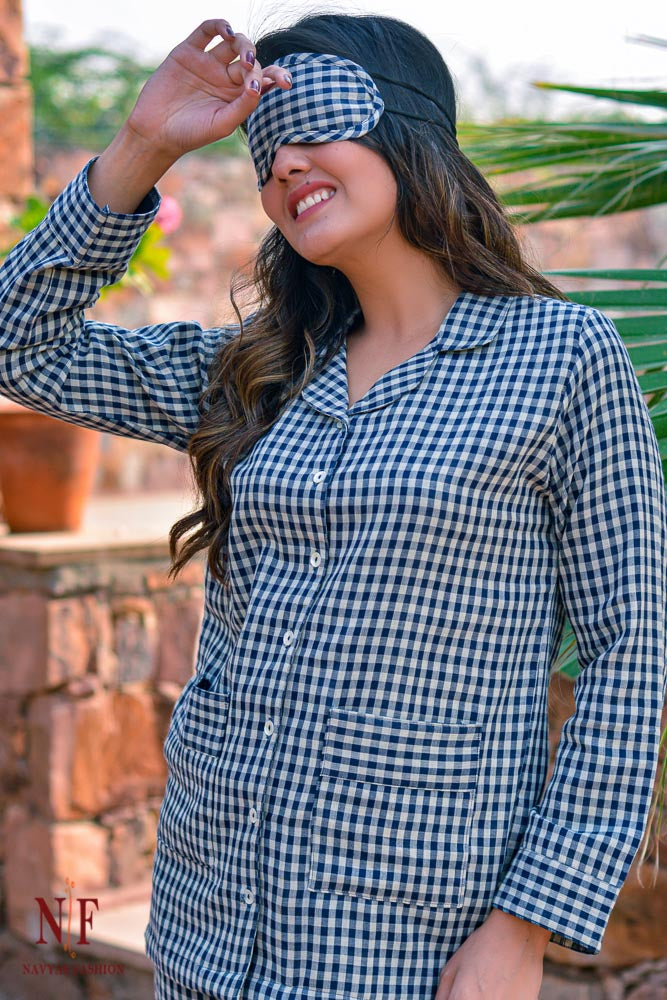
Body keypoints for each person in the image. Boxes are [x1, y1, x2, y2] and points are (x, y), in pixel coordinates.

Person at [1, 11, 665, 1000]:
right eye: (263, 147)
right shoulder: (255, 374)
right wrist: (143, 146)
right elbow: (19, 342)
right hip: (207, 920)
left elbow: (629, 649)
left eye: (314, 122)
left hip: (408, 938)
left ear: (406, 127)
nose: (283, 164)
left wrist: (526, 925)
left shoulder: (560, 359)